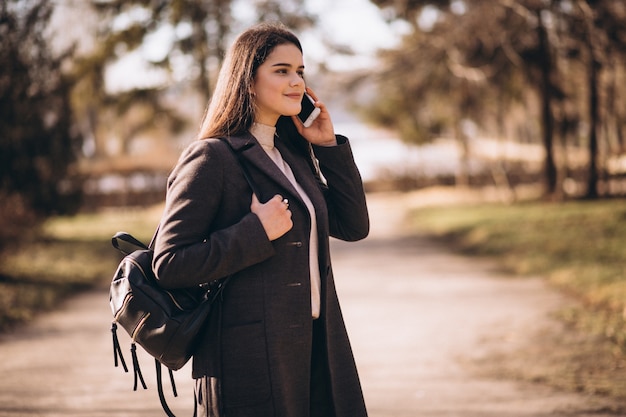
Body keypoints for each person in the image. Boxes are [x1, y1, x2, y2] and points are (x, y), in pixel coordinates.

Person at [152, 22, 370, 417]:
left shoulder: (293, 156)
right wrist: (256, 232)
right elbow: (169, 263)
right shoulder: (212, 157)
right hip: (248, 362)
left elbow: (353, 226)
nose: (297, 83)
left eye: (300, 72)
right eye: (281, 70)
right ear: (248, 81)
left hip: (317, 349)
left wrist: (328, 147)